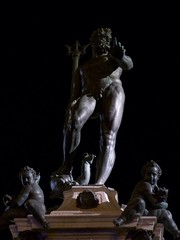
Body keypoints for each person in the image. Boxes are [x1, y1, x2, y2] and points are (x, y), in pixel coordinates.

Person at [52, 27, 133, 187]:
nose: (98, 43)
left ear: (108, 43)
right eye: (95, 40)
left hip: (112, 89)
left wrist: (121, 57)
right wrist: (71, 106)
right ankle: (67, 164)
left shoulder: (113, 59)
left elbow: (128, 65)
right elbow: (75, 93)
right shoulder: (84, 67)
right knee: (74, 121)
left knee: (108, 135)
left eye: (102, 40)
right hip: (90, 94)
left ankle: (99, 183)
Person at [113, 160, 180, 240]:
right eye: (149, 174)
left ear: (158, 176)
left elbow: (162, 205)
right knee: (140, 201)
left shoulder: (155, 187)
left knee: (166, 213)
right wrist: (163, 201)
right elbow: (155, 203)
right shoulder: (145, 185)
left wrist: (163, 199)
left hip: (145, 212)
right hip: (135, 210)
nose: (151, 177)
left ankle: (177, 234)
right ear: (144, 175)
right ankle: (122, 218)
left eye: (154, 175)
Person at [0, 166, 48, 231]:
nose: (26, 180)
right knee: (8, 211)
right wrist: (10, 202)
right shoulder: (34, 185)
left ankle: (43, 221)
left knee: (9, 213)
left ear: (33, 177)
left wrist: (10, 200)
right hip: (38, 209)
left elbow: (18, 202)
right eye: (23, 178)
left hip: (35, 209)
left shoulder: (28, 187)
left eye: (28, 178)